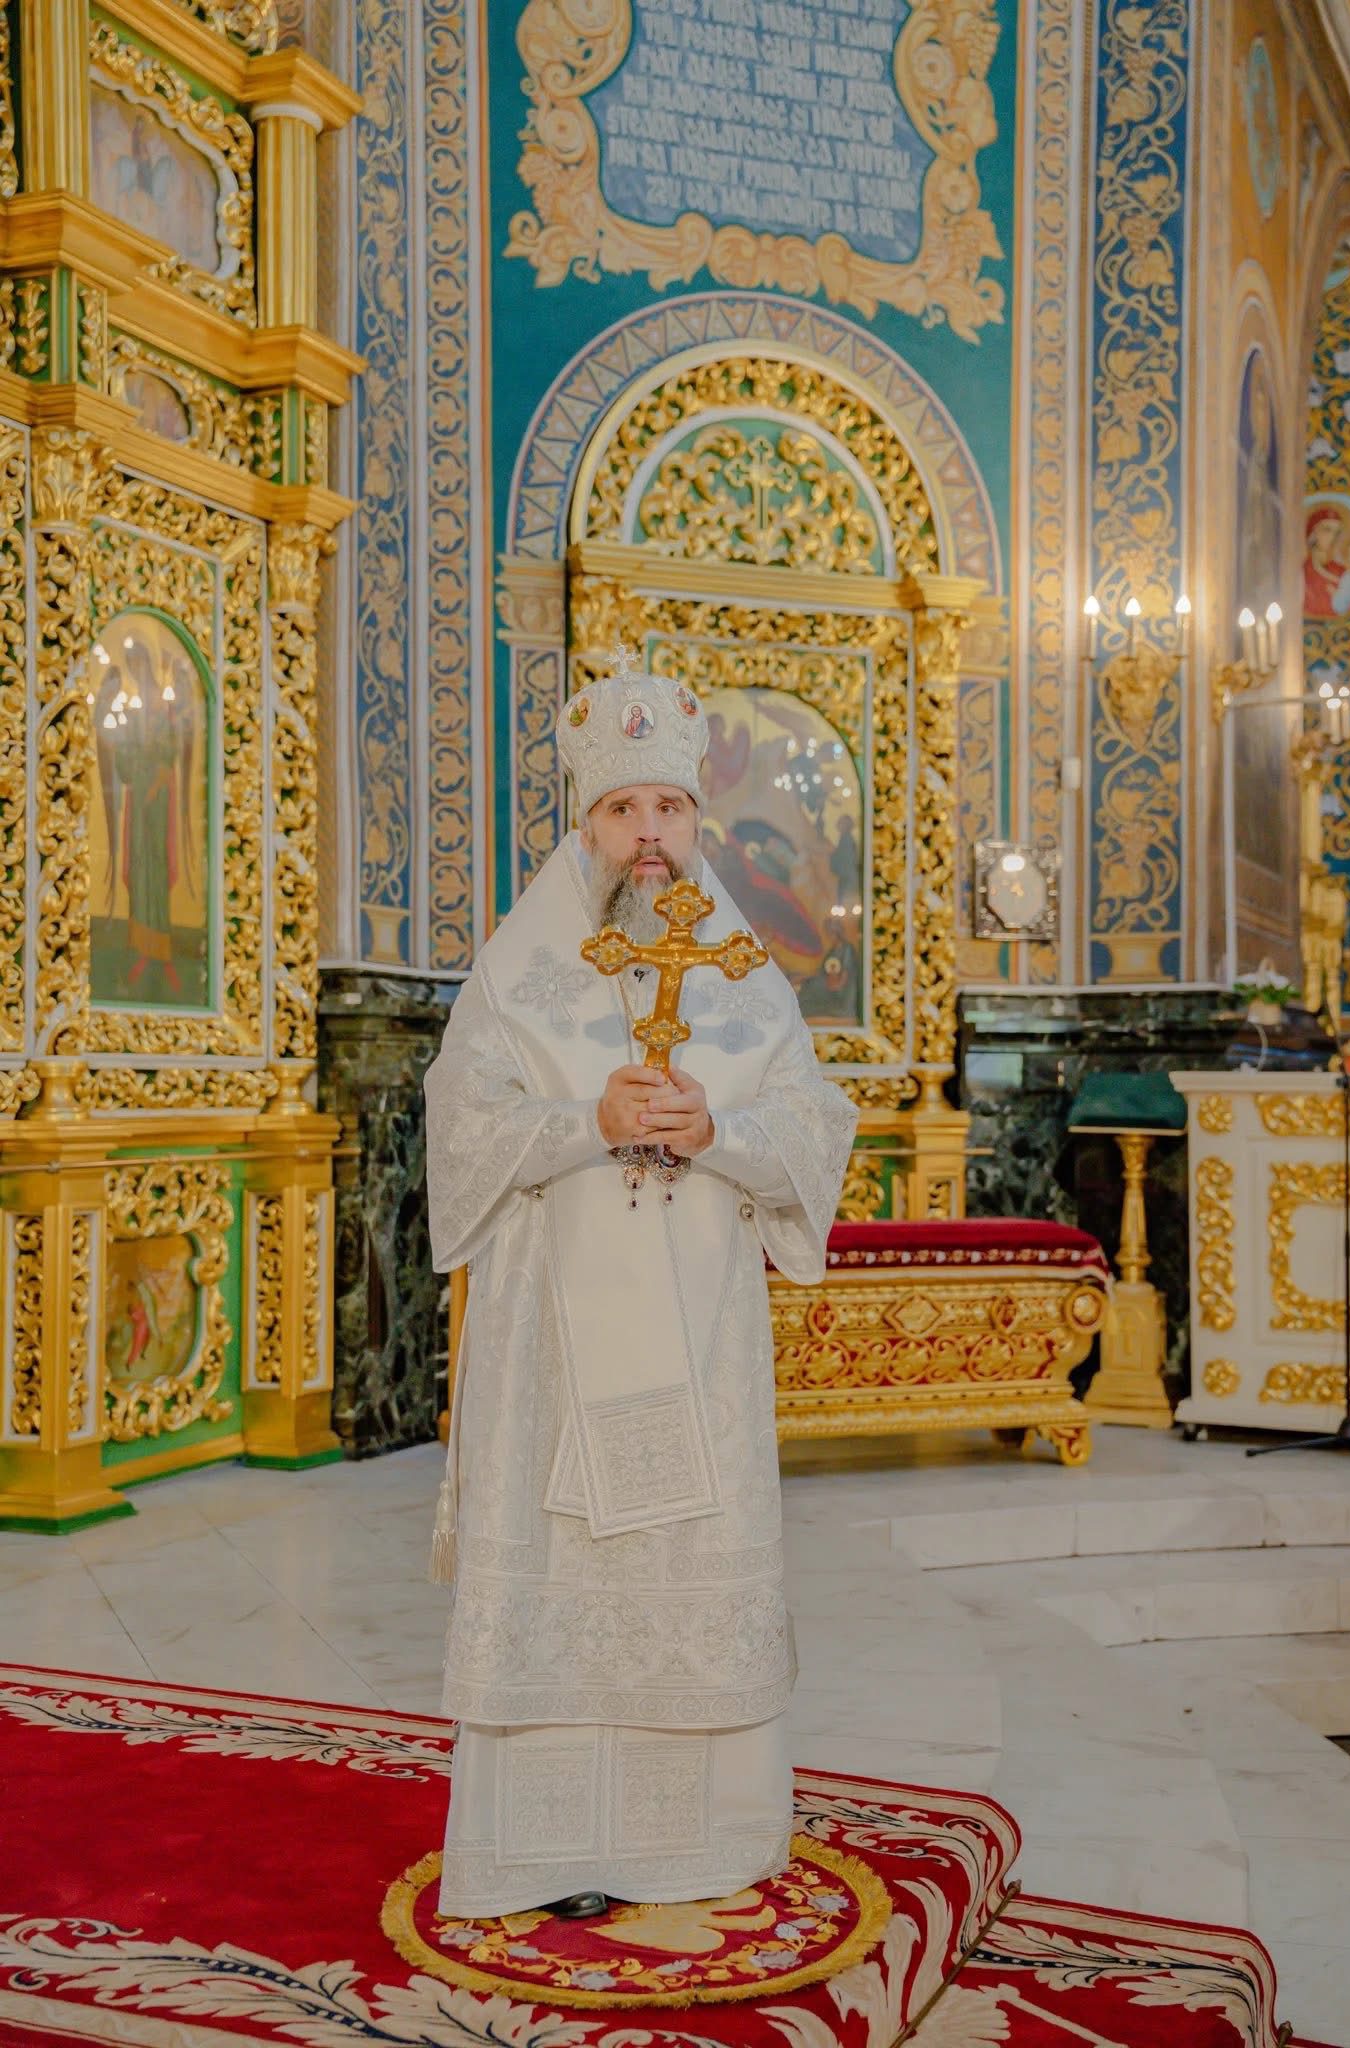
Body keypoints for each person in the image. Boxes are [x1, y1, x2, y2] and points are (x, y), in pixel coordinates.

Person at [423, 652, 856, 1922]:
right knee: (566, 1568)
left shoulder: (745, 971)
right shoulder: (520, 964)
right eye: (623, 808)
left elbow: (812, 1125)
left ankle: (705, 1842)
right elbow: (459, 1124)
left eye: (668, 805)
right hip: (549, 1343)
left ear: (696, 816)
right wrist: (585, 1119)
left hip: (700, 1324)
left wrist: (717, 1128)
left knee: (682, 1556)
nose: (648, 832)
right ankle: (542, 1846)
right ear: (588, 820)